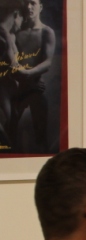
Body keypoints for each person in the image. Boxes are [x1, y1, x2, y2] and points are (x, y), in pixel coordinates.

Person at [11, 0, 54, 152]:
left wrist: (28, 74)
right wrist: (23, 78)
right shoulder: (15, 32)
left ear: (40, 7)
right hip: (17, 89)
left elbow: (47, 62)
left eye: (33, 3)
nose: (29, 7)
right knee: (10, 134)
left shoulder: (46, 31)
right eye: (26, 3)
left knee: (41, 137)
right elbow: (10, 61)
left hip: (36, 88)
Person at [0, 0, 22, 149]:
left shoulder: (9, 36)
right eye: (22, 18)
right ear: (15, 14)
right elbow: (14, 65)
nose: (22, 23)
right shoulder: (4, 38)